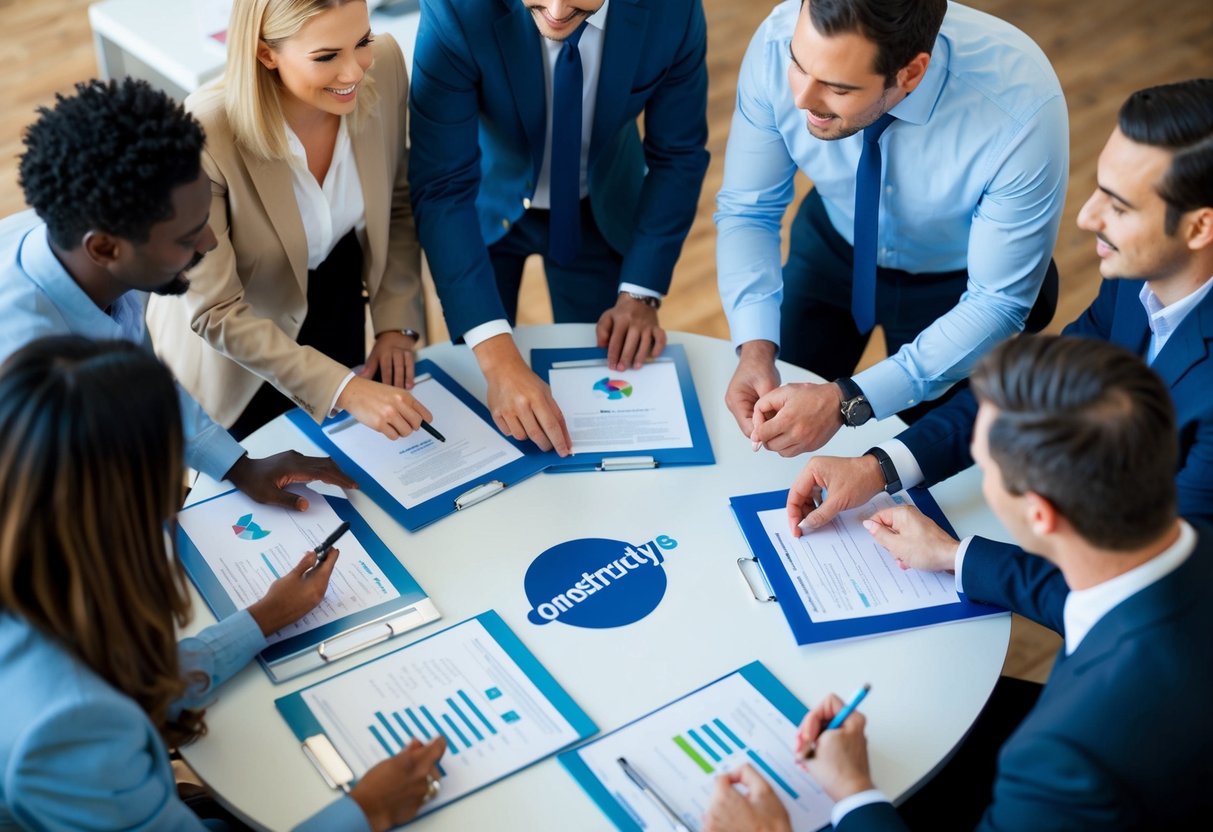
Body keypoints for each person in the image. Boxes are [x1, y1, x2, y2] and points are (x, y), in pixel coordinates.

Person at [704, 335, 1213, 830]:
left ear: (1039, 514)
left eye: (986, 467)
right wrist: (954, 555)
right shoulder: (1188, 547)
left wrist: (852, 795)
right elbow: (1087, 598)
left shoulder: (1061, 760)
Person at [0, 336, 446, 831]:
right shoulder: (68, 730)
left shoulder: (34, 581)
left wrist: (265, 616)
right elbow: (87, 702)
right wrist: (369, 810)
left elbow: (116, 680)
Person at [788, 79, 1213, 541]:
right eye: (1099, 191)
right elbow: (1028, 394)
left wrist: (958, 557)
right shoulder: (1136, 284)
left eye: (1119, 206)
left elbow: (1172, 571)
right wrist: (876, 468)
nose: (1086, 218)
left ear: (1199, 228)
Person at [717, 0, 1067, 457]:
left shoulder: (1021, 108)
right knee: (767, 432)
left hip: (958, 288)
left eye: (838, 88)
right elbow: (749, 210)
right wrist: (755, 347)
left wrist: (847, 402)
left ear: (910, 73)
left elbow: (996, 302)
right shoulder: (776, 40)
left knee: (934, 463)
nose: (801, 98)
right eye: (798, 66)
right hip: (832, 245)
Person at [0, 76, 353, 512]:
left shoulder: (80, 242)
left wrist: (237, 466)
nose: (208, 243)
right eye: (187, 236)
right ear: (106, 249)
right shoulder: (28, 380)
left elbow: (138, 379)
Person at [409, 0, 710, 456]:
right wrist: (497, 359)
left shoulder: (673, 10)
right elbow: (441, 185)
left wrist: (642, 291)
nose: (553, 11)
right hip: (480, 207)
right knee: (476, 391)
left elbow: (679, 155)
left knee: (602, 379)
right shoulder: (455, 8)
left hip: (600, 205)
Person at [147, 0, 431, 441]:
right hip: (237, 349)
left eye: (362, 42)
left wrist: (396, 319)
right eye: (326, 57)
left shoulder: (387, 66)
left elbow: (395, 200)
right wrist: (343, 388)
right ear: (266, 54)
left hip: (335, 292)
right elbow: (217, 312)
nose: (355, 72)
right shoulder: (205, 133)